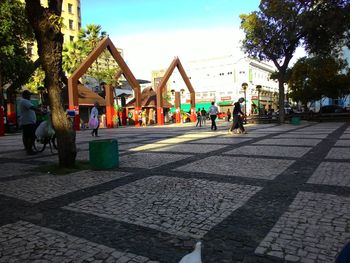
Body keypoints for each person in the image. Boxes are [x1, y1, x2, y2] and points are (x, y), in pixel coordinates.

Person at [19, 90, 41, 155]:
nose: (30, 96)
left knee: (26, 136)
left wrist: (38, 112)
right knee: (32, 136)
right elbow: (32, 108)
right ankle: (29, 150)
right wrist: (40, 110)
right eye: (28, 95)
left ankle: (27, 148)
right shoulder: (24, 101)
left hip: (26, 121)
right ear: (25, 95)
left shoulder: (24, 101)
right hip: (28, 122)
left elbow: (30, 110)